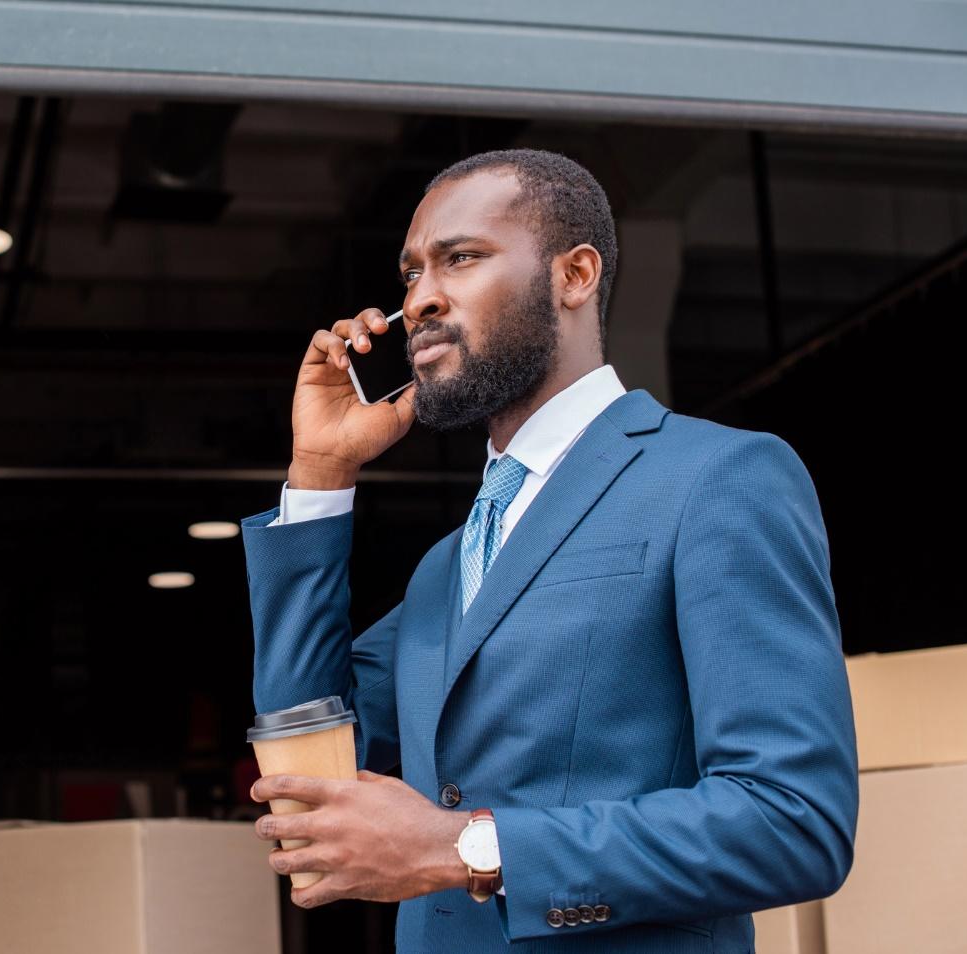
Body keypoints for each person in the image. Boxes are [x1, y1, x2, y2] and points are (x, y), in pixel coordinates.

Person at [240, 149, 858, 953]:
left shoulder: (716, 478)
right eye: (410, 273)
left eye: (459, 258)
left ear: (574, 275)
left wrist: (461, 848)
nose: (419, 299)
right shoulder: (446, 568)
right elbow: (305, 772)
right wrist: (318, 476)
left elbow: (791, 820)